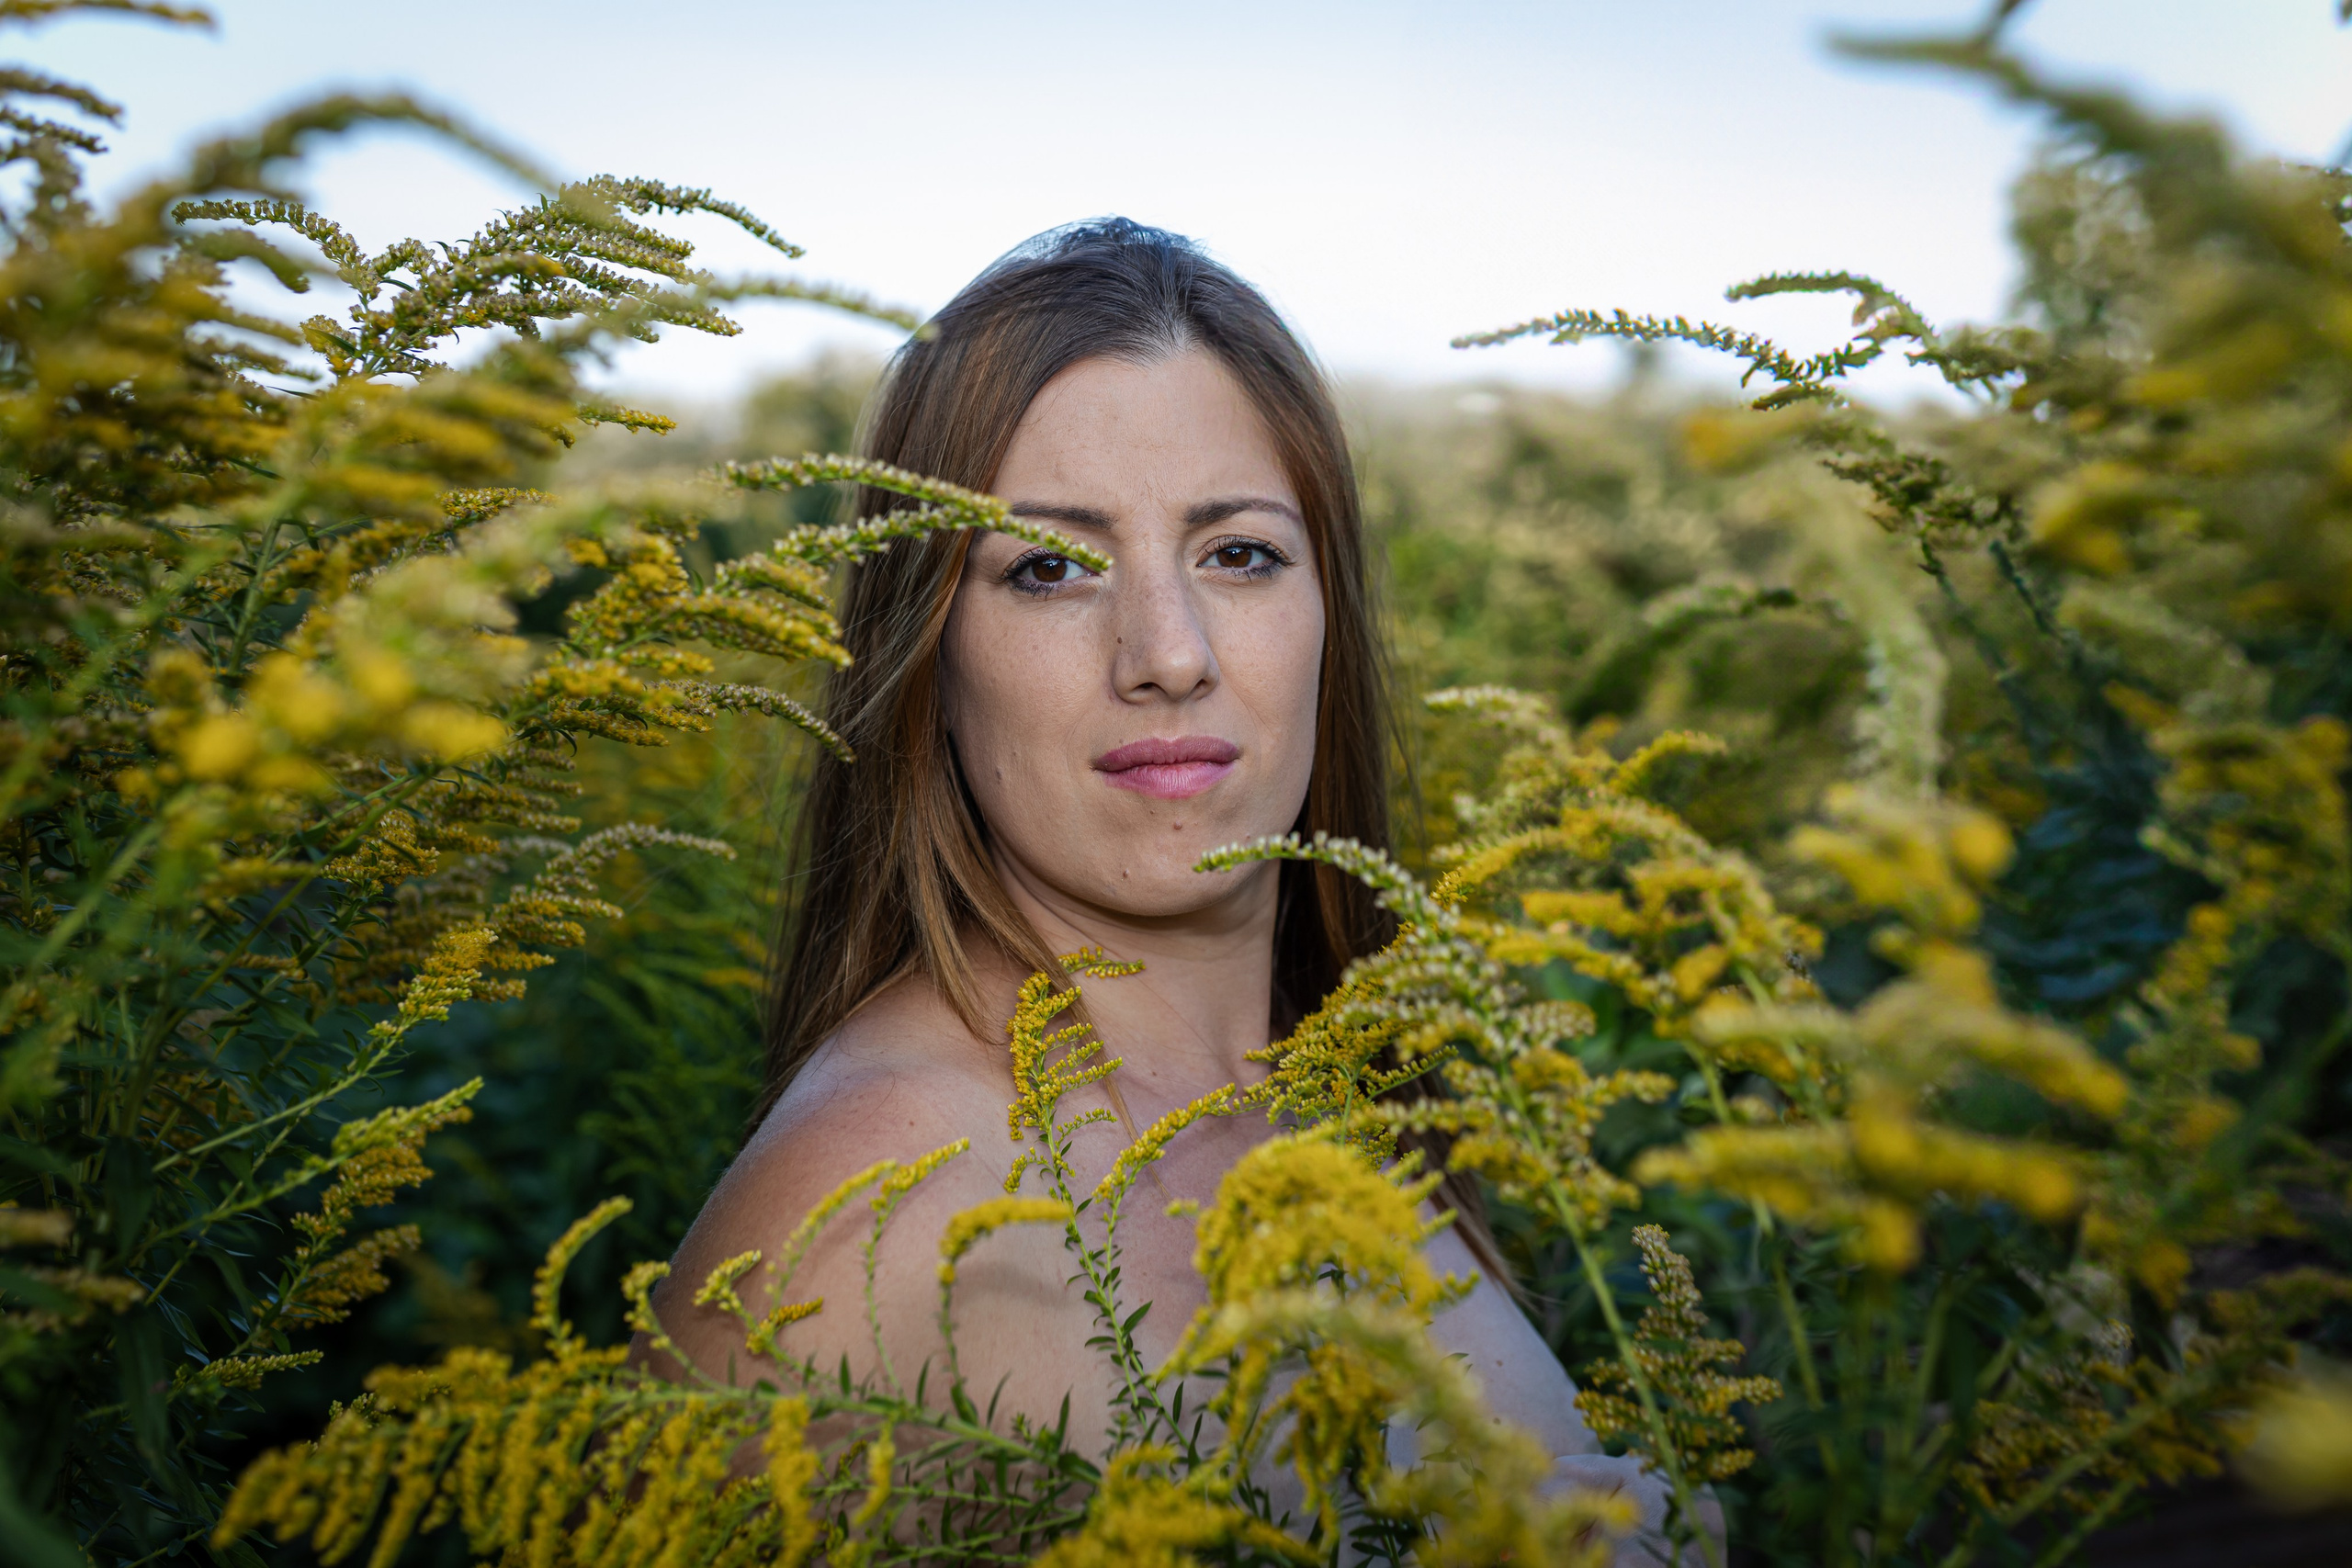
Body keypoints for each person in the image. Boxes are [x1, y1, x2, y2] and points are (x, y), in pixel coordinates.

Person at [645, 219, 1715, 1562]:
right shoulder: (863, 1214)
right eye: (1048, 568)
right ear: (927, 651)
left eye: (1239, 554)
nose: (1166, 653)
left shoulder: (1350, 1094)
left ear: (1327, 607)